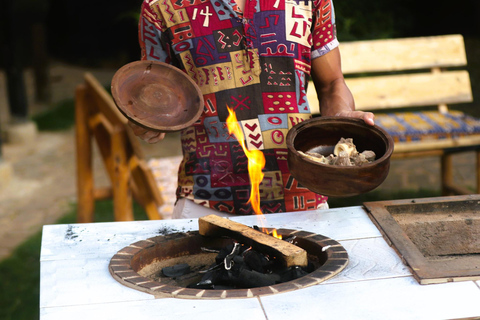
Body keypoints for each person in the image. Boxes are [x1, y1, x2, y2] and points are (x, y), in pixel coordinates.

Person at [132, 0, 374, 218]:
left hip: (302, 194)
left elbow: (331, 83)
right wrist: (146, 119)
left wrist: (341, 119)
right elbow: (153, 94)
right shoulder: (160, 7)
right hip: (205, 200)